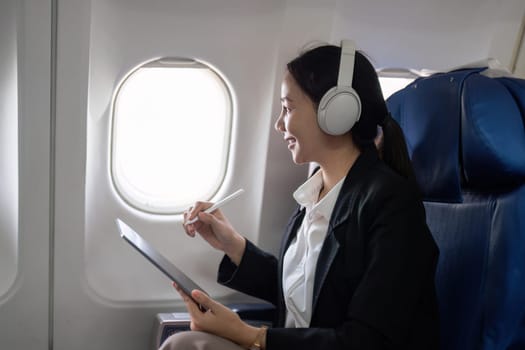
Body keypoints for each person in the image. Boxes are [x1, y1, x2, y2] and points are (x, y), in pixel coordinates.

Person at [159, 40, 440, 350]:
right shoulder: (316, 192)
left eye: (288, 107)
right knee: (184, 342)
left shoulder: (391, 204)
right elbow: (311, 292)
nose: (280, 124)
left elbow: (367, 340)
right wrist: (233, 245)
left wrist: (251, 335)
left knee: (183, 345)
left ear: (338, 111)